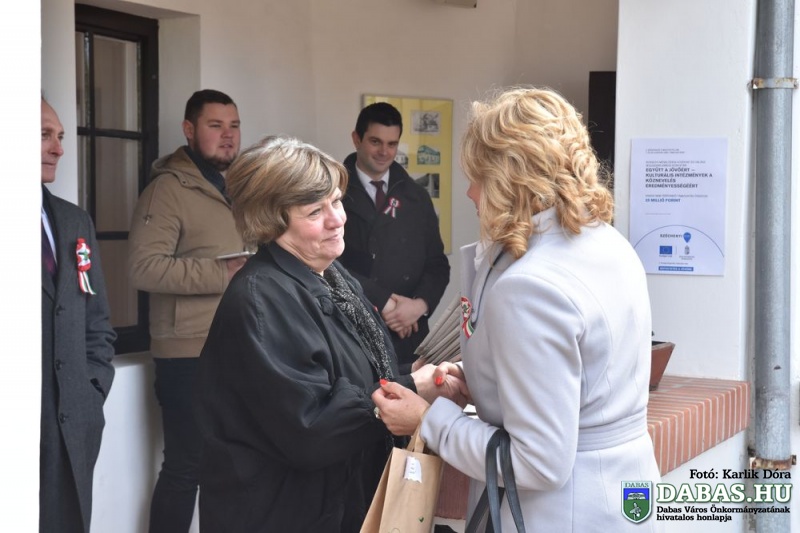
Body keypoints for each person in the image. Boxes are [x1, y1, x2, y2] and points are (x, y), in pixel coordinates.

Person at [373, 87, 663, 531]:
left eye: (477, 177)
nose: (470, 192)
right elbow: (585, 383)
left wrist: (428, 420)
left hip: (561, 513)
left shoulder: (529, 285)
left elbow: (539, 461)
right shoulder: (610, 243)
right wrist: (485, 380)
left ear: (509, 179)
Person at [194, 136, 467, 532]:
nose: (337, 219)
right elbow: (311, 428)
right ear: (271, 220)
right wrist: (412, 387)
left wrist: (420, 374)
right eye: (314, 211)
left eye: (337, 202)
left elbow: (352, 376)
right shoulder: (261, 299)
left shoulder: (330, 275)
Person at [127, 89, 248, 533]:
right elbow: (142, 268)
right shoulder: (166, 190)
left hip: (239, 347)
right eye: (215, 126)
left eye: (234, 126)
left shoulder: (241, 186)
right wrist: (222, 274)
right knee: (186, 468)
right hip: (186, 356)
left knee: (234, 465)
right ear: (189, 130)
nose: (227, 135)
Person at [40, 97, 116, 533]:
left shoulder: (73, 220)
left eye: (60, 136)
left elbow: (97, 321)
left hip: (73, 423)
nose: (59, 148)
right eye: (43, 135)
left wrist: (92, 390)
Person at [340, 102, 450, 369]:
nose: (384, 152)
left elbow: (437, 264)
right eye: (375, 142)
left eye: (392, 144)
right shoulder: (334, 192)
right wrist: (384, 302)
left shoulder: (417, 196)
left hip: (409, 336)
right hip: (353, 332)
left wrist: (419, 306)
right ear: (356, 139)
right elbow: (327, 264)